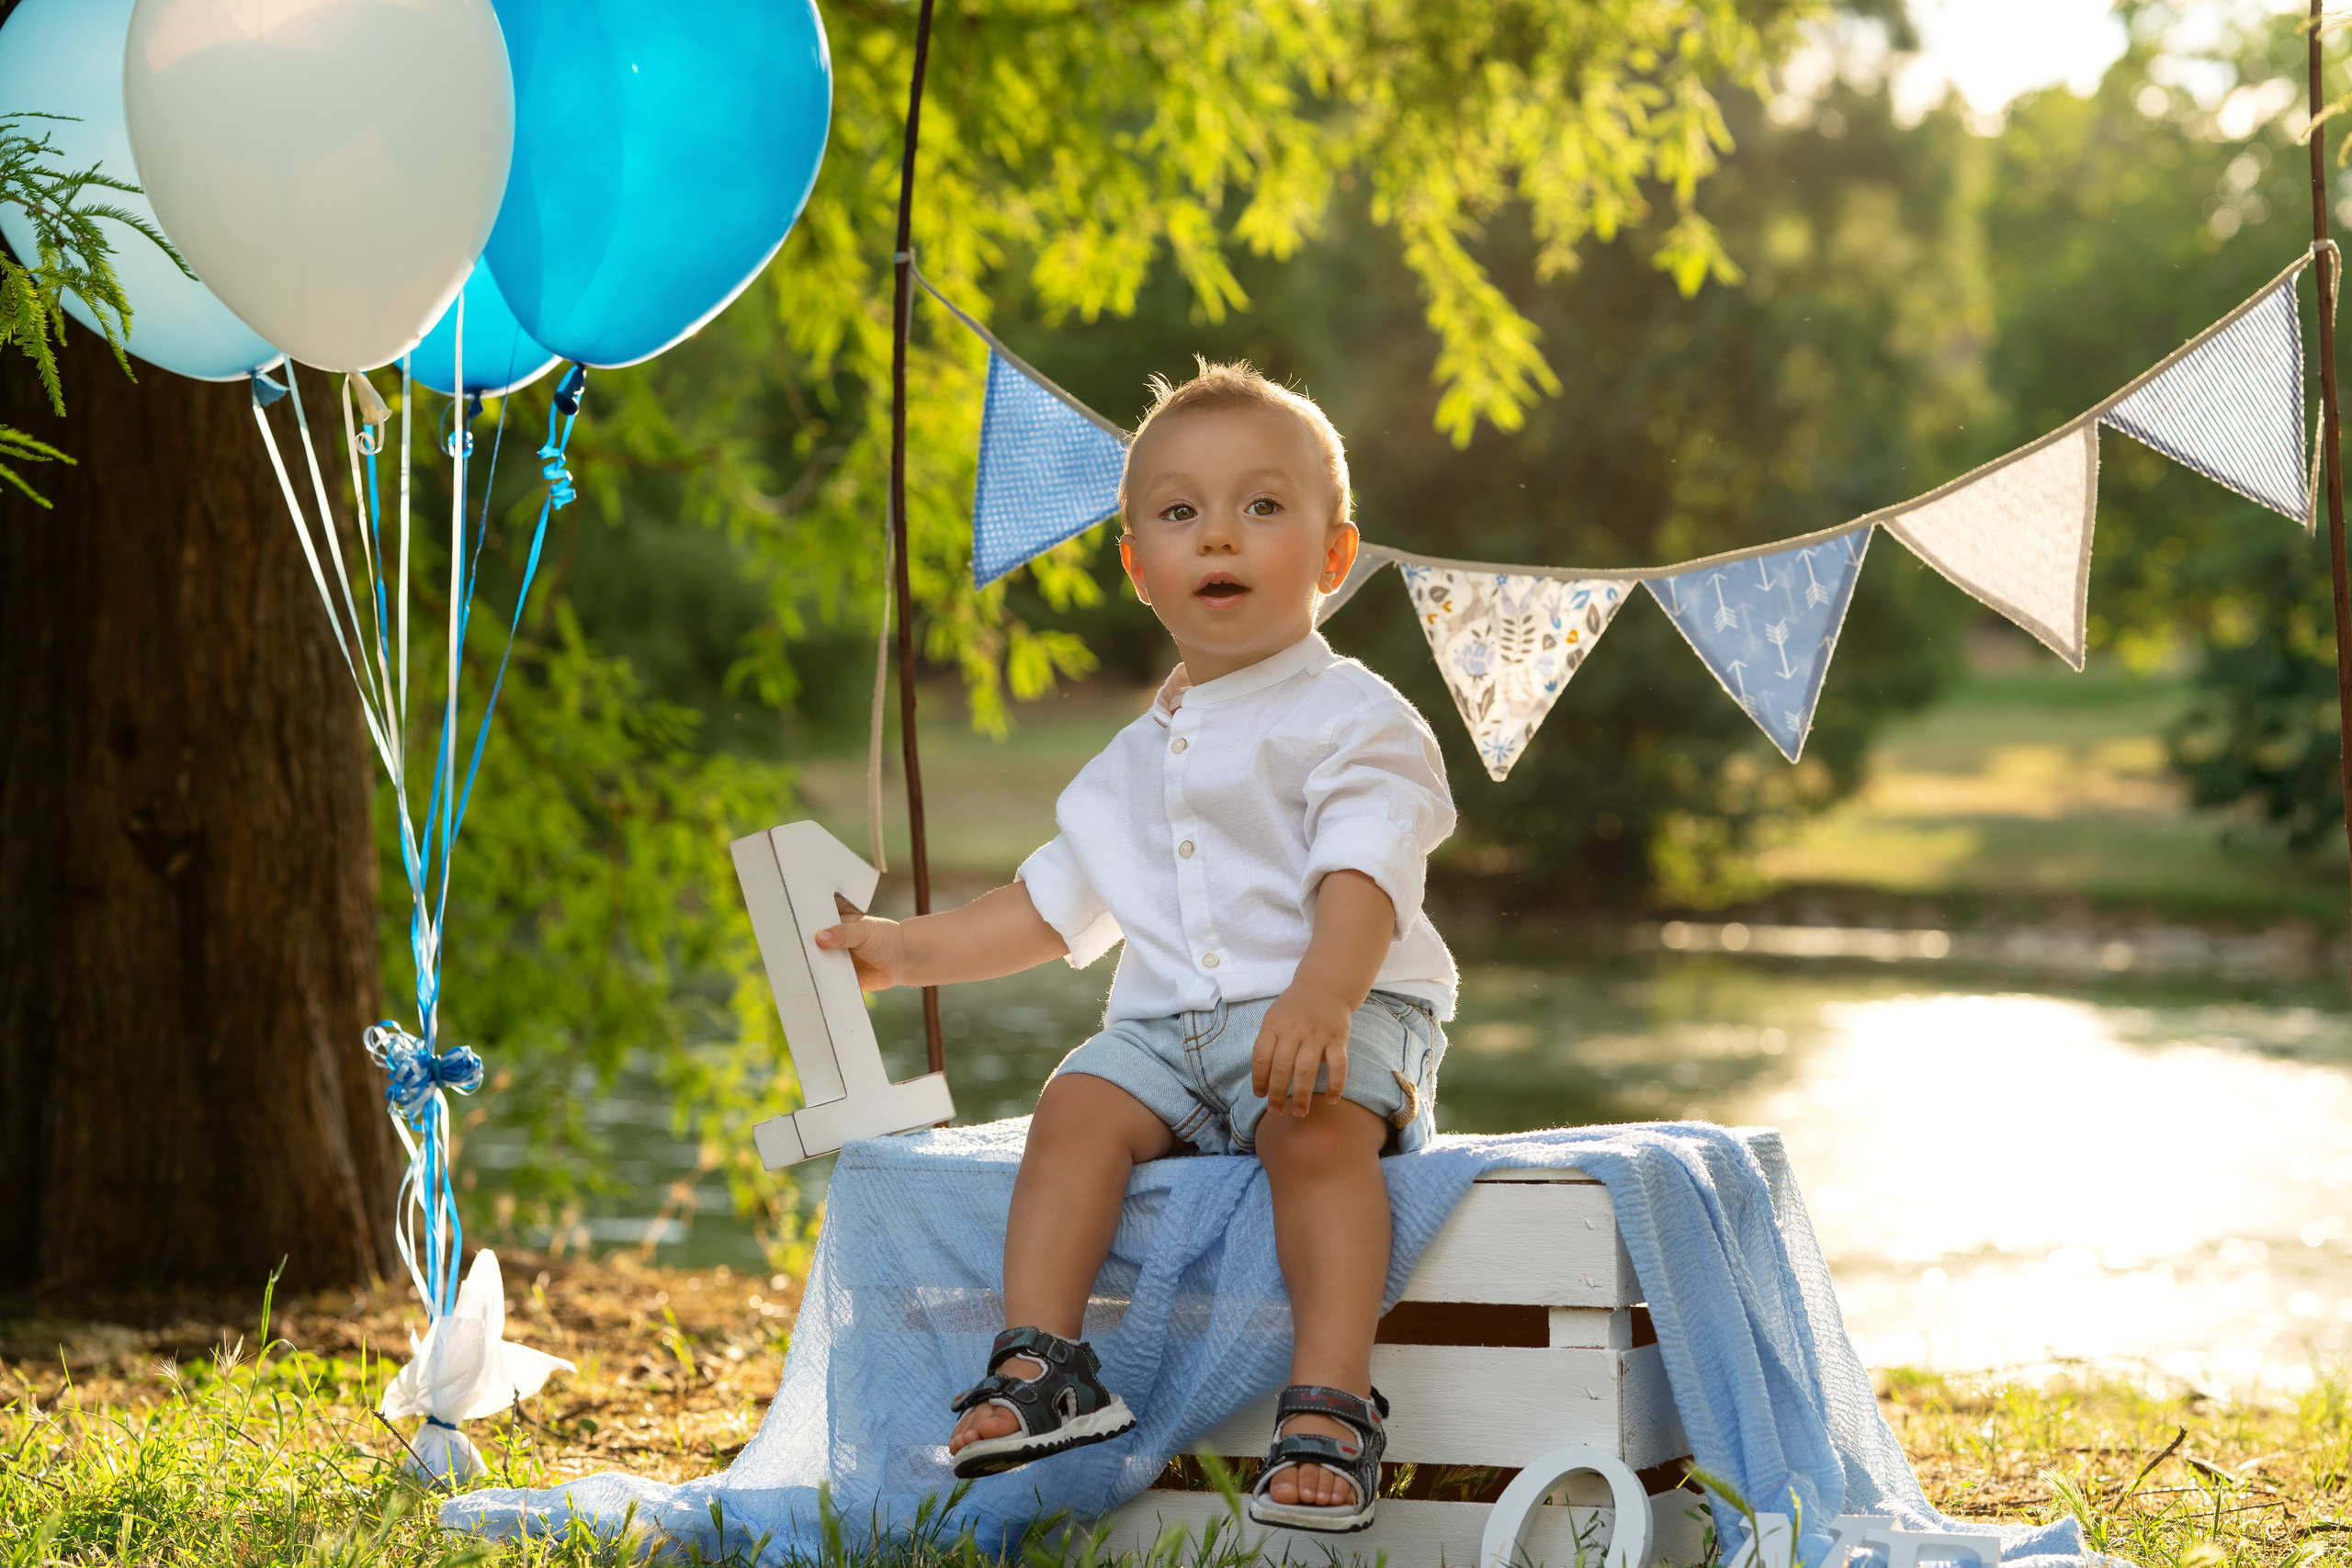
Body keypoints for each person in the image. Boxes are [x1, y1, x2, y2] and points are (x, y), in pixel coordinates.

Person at [814, 359, 1456, 1535]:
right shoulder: (1127, 760)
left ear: (1332, 555)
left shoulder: (1353, 717)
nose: (1219, 534)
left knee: (1309, 1126)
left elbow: (1365, 874)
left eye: (1262, 507)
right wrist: (905, 953)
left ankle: (1328, 1402)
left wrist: (1322, 994)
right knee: (1075, 1102)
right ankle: (1045, 1363)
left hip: (1346, 1005)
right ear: (1138, 567)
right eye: (1179, 513)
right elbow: (1049, 906)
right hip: (1169, 1033)